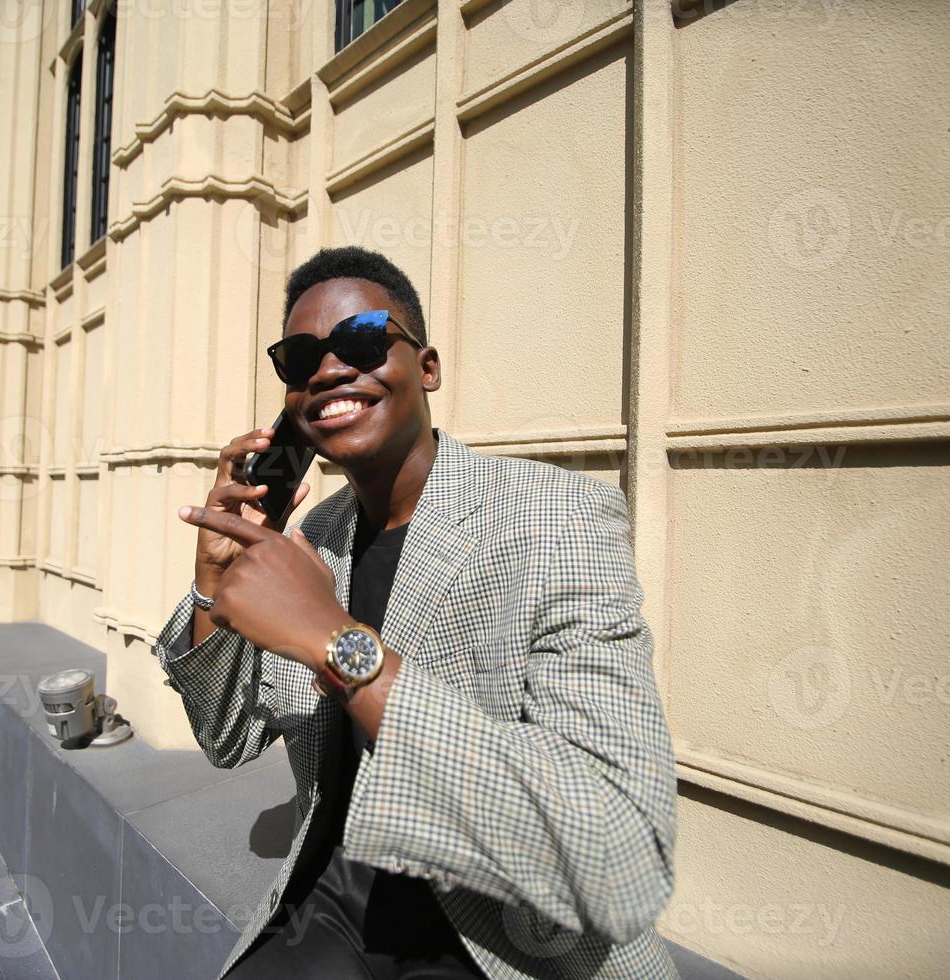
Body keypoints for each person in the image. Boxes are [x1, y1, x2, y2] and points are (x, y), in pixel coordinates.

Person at [155, 246, 678, 979]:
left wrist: (335, 642)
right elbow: (226, 739)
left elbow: (622, 857)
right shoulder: (313, 543)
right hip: (338, 908)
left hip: (501, 941)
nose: (331, 369)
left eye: (365, 340)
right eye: (302, 357)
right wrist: (214, 583)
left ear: (426, 366)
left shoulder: (556, 518)